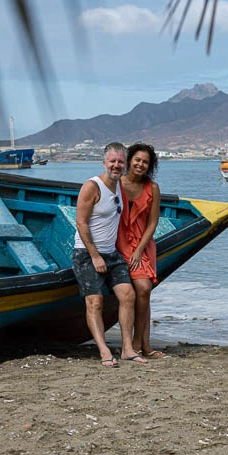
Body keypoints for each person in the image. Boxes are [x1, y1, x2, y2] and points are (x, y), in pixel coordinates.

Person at [72, 142, 147, 367]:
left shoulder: (119, 186)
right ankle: (104, 351)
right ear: (104, 163)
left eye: (120, 162)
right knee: (95, 301)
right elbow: (81, 222)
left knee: (128, 295)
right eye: (112, 161)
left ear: (125, 165)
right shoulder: (92, 186)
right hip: (86, 253)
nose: (116, 165)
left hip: (111, 254)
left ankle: (127, 349)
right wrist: (94, 256)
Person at [117, 143, 167, 359]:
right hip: (117, 242)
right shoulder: (116, 183)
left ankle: (141, 343)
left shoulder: (152, 188)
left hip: (142, 244)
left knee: (144, 289)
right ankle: (139, 345)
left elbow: (153, 222)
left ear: (150, 165)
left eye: (145, 162)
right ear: (129, 160)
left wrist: (138, 250)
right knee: (138, 292)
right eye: (137, 159)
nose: (140, 164)